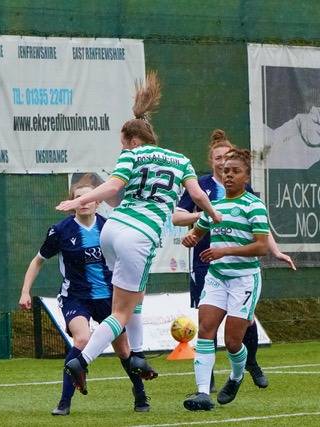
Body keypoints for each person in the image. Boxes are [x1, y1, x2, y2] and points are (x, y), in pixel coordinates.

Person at [56, 71, 222, 394]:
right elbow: (200, 197)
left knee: (135, 296)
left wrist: (85, 198)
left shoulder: (132, 156)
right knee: (120, 312)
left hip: (113, 230)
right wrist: (213, 215)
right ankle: (82, 360)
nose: (123, 148)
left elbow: (117, 189)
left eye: (123, 144)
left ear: (133, 141)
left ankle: (138, 358)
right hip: (138, 238)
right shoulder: (180, 160)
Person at [172, 130, 296, 392]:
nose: (227, 173)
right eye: (224, 167)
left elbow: (261, 244)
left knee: (233, 341)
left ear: (246, 176)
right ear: (214, 162)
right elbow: (198, 228)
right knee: (205, 330)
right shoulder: (211, 200)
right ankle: (203, 391)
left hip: (243, 278)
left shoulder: (253, 204)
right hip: (214, 273)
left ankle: (240, 372)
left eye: (233, 170)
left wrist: (229, 251)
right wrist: (192, 238)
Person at [19, 176, 150, 415]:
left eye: (89, 198)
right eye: (78, 199)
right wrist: (25, 291)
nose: (84, 202)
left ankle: (140, 393)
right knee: (81, 339)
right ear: (72, 203)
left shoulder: (109, 228)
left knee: (123, 350)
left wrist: (137, 290)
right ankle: (64, 402)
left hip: (110, 299)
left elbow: (128, 262)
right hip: (75, 297)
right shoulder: (60, 231)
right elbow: (38, 261)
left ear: (98, 201)